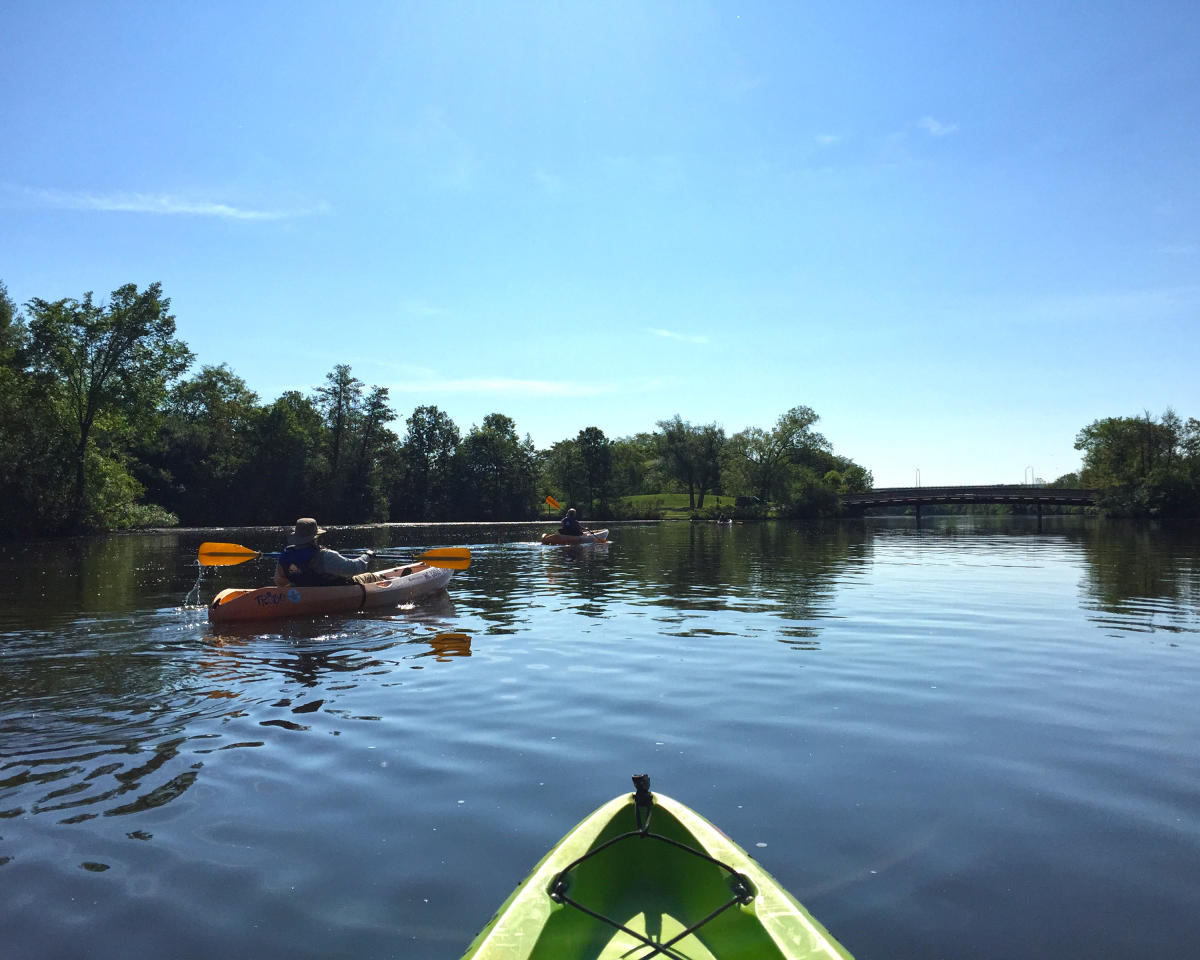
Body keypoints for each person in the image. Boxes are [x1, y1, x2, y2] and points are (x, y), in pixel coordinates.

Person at [274, 518, 375, 587]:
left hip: (302, 593)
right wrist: (367, 555)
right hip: (333, 591)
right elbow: (355, 568)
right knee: (369, 576)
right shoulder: (325, 555)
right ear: (315, 537)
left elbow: (279, 581)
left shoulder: (285, 554)